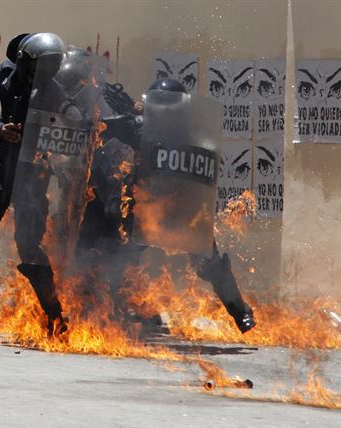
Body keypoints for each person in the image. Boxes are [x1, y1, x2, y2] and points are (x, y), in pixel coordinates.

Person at [79, 78, 256, 333]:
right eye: (161, 106)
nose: (166, 112)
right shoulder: (140, 127)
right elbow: (106, 126)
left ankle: (240, 312)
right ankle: (115, 311)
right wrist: (95, 122)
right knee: (120, 254)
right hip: (146, 207)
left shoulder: (196, 133)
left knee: (209, 261)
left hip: (184, 207)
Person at [0, 32, 68, 335]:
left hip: (34, 175)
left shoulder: (57, 91)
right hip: (2, 167)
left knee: (29, 247)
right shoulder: (1, 77)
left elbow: (73, 127)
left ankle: (55, 316)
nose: (43, 75)